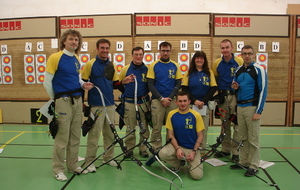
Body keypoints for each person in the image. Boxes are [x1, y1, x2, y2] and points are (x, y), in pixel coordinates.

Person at [43, 29, 93, 181]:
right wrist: (55, 98)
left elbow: (77, 79)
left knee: (75, 135)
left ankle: (73, 165)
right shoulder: (55, 57)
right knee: (62, 136)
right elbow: (47, 81)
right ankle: (58, 169)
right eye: (71, 39)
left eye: (76, 40)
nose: (74, 42)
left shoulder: (76, 58)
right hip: (62, 101)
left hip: (77, 100)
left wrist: (84, 85)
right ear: (64, 41)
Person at [81, 38, 128, 172]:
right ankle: (90, 161)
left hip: (110, 105)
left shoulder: (111, 65)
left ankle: (108, 157)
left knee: (110, 134)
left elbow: (115, 84)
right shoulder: (90, 64)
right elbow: (82, 84)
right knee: (94, 135)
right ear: (97, 49)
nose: (105, 50)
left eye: (107, 48)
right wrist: (82, 103)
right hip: (96, 106)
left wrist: (124, 83)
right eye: (102, 48)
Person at [230, 45, 268, 177]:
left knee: (253, 138)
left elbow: (263, 91)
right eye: (244, 53)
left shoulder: (259, 70)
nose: (247, 56)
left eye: (249, 53)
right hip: (240, 107)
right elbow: (235, 88)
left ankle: (253, 165)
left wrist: (259, 110)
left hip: (252, 108)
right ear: (241, 55)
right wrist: (235, 87)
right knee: (243, 137)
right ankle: (244, 162)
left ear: (254, 54)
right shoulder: (238, 70)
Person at [158, 91, 205, 180]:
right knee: (162, 153)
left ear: (189, 101)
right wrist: (177, 148)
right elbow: (170, 134)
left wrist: (194, 151)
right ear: (176, 102)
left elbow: (200, 136)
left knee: (197, 176)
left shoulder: (196, 115)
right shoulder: (171, 114)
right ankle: (179, 163)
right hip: (178, 146)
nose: (182, 103)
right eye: (180, 101)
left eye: (184, 101)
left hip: (192, 148)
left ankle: (192, 162)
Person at [147, 41, 182, 151]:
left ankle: (170, 149)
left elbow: (178, 84)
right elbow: (150, 85)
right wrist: (161, 98)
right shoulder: (154, 65)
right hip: (158, 101)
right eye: (163, 50)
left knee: (171, 128)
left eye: (167, 51)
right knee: (156, 128)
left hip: (172, 101)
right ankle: (155, 150)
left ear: (170, 51)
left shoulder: (175, 65)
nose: (165, 53)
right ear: (159, 51)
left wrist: (170, 97)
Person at [212, 39, 243, 162]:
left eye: (227, 47)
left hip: (235, 97)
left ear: (232, 48)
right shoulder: (217, 63)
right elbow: (215, 79)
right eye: (223, 48)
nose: (225, 50)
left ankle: (236, 152)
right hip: (223, 98)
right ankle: (225, 149)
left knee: (236, 124)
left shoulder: (239, 61)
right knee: (224, 124)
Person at [182, 51, 217, 151]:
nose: (199, 60)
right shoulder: (189, 73)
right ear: (194, 60)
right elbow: (184, 88)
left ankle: (202, 149)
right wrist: (195, 100)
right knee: (190, 128)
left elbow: (213, 88)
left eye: (201, 58)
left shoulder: (209, 73)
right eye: (197, 58)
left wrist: (203, 101)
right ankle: (190, 148)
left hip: (204, 106)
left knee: (203, 129)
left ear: (204, 60)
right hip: (192, 106)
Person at [119, 46, 150, 158]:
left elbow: (150, 85)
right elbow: (119, 84)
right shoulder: (125, 69)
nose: (138, 56)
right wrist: (124, 82)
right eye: (136, 54)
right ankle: (129, 148)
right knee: (130, 128)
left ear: (143, 55)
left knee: (144, 127)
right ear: (132, 55)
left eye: (140, 54)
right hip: (130, 103)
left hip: (144, 102)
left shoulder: (147, 70)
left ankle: (143, 148)